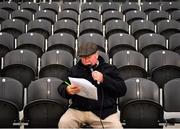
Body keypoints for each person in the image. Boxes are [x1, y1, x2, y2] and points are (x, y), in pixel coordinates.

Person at [58, 42, 127, 128]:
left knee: (115, 127)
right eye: (83, 58)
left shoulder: (110, 69)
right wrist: (67, 89)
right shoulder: (74, 70)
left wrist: (103, 79)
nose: (86, 61)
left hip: (104, 112)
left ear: (97, 55)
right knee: (64, 122)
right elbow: (62, 86)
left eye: (89, 57)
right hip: (78, 110)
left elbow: (122, 89)